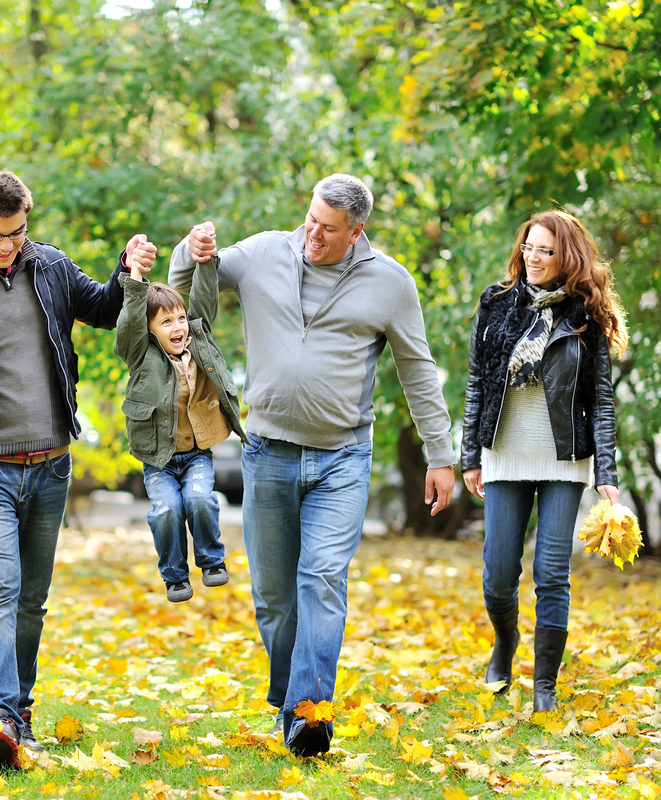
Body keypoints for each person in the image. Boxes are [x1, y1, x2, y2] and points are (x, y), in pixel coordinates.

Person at [169, 174, 456, 756]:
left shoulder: (390, 283)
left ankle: (308, 712)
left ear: (357, 232)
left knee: (322, 579)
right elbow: (185, 293)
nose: (312, 234)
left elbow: (418, 370)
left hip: (341, 457)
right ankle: (288, 702)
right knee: (274, 600)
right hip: (267, 451)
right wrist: (189, 249)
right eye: (310, 219)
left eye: (328, 229)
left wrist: (440, 453)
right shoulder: (264, 253)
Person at [0, 169, 156, 770]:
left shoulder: (51, 268)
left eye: (17, 232)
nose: (8, 245)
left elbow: (102, 308)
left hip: (50, 468)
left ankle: (19, 712)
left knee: (29, 601)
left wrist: (128, 268)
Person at [460, 210, 628, 713]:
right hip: (504, 454)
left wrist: (607, 474)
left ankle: (545, 689)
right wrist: (470, 455)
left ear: (566, 257)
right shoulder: (495, 305)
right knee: (497, 575)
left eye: (546, 251)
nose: (533, 259)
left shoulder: (585, 314)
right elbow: (476, 383)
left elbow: (600, 397)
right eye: (529, 248)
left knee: (551, 572)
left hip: (564, 457)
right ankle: (506, 642)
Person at [113, 252, 246, 603]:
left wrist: (205, 261)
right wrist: (137, 275)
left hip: (197, 454)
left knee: (199, 499)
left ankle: (212, 561)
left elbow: (204, 300)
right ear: (150, 329)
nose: (178, 327)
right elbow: (128, 323)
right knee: (167, 509)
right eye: (166, 322)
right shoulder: (141, 353)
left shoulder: (199, 342)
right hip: (159, 460)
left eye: (180, 318)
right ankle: (175, 577)